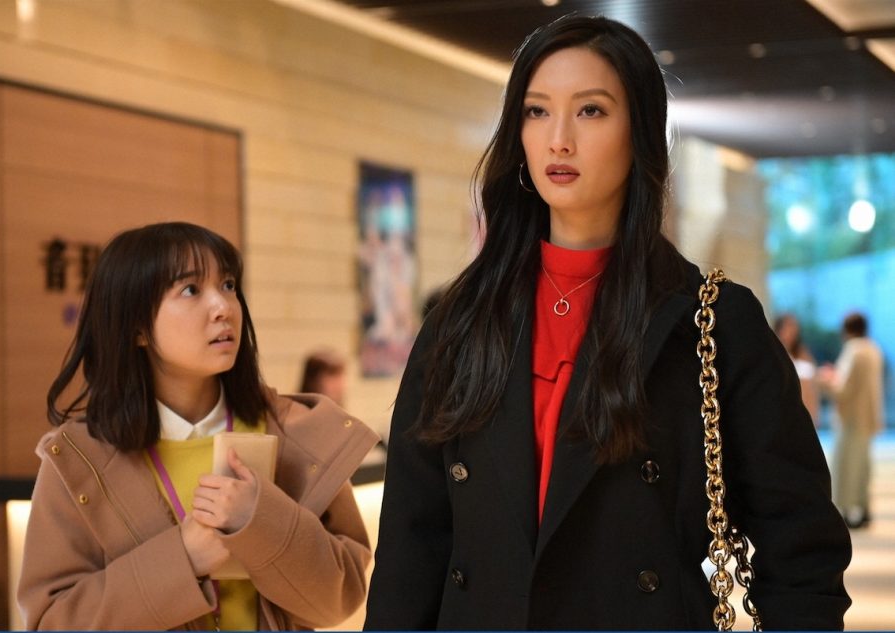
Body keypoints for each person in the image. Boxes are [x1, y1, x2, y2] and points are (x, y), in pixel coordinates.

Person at [363, 13, 851, 631]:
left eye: (590, 110)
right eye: (537, 111)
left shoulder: (713, 322)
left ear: (640, 131)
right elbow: (410, 550)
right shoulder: (460, 322)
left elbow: (801, 544)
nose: (558, 139)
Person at [18, 222, 379, 630]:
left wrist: (262, 521)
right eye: (191, 290)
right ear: (137, 328)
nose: (223, 307)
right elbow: (52, 622)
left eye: (228, 284)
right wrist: (183, 560)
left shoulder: (297, 432)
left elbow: (340, 601)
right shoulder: (80, 458)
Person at [818, 312, 885, 529]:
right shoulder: (873, 349)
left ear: (846, 329)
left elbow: (843, 390)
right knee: (863, 467)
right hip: (868, 417)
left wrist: (826, 379)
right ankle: (863, 509)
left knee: (845, 467)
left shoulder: (853, 351)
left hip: (851, 419)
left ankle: (846, 512)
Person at [773, 312, 821, 424]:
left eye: (794, 326)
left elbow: (813, 376)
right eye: (788, 326)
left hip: (805, 409)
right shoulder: (774, 352)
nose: (792, 331)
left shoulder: (803, 353)